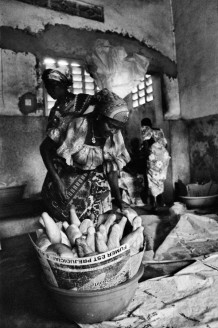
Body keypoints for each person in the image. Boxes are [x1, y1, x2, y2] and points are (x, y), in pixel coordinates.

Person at [40, 70, 130, 223]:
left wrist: (118, 198)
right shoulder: (73, 124)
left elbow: (111, 169)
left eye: (55, 86)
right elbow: (46, 147)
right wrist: (57, 181)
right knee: (67, 223)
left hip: (93, 179)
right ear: (99, 117)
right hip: (68, 172)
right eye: (49, 87)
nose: (114, 131)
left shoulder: (112, 131)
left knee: (97, 225)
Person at [140, 118, 170, 208]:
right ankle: (162, 202)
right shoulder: (159, 130)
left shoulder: (145, 130)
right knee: (159, 180)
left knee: (151, 180)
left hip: (153, 159)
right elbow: (166, 145)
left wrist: (145, 153)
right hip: (163, 159)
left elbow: (145, 147)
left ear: (143, 125)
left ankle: (154, 203)